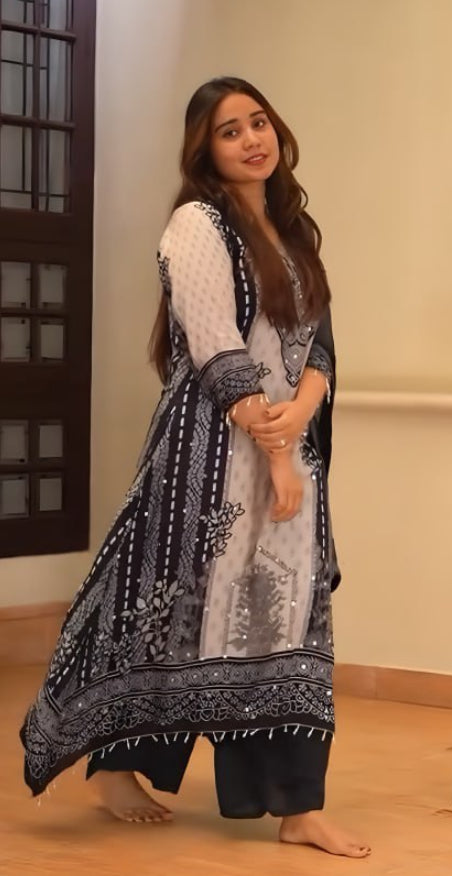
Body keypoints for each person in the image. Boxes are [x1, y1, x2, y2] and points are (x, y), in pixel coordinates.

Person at [20, 76, 370, 859]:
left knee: (280, 615)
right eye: (229, 131)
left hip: (288, 443)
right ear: (204, 152)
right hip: (209, 455)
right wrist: (275, 451)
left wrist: (301, 416)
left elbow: (319, 346)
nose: (251, 140)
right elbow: (217, 349)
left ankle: (297, 807)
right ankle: (115, 766)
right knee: (169, 612)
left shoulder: (293, 232)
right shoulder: (196, 225)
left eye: (258, 122)